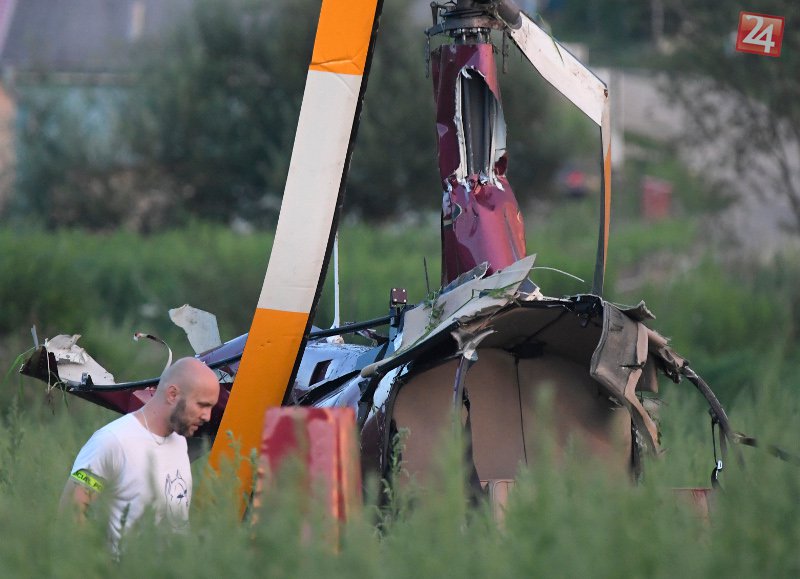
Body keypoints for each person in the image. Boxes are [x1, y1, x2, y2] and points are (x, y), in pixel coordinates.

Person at [60, 357, 220, 549]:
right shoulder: (112, 441)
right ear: (172, 394)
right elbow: (71, 516)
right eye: (202, 405)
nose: (207, 416)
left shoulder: (179, 441)